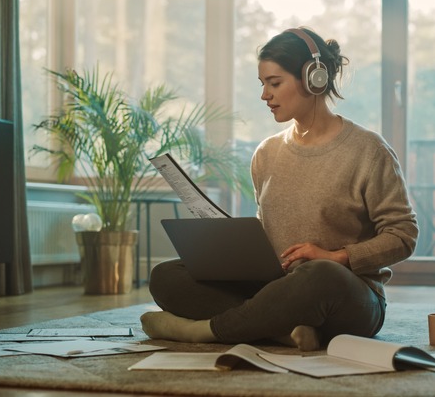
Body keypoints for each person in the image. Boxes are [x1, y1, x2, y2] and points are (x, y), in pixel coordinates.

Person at [141, 27, 418, 351]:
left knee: (319, 275)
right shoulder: (266, 153)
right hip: (276, 289)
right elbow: (270, 231)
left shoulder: (368, 150)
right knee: (166, 277)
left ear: (314, 78)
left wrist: (336, 257)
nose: (265, 95)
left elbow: (403, 235)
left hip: (345, 296)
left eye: (274, 83)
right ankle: (279, 331)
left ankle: (207, 331)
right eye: (262, 85)